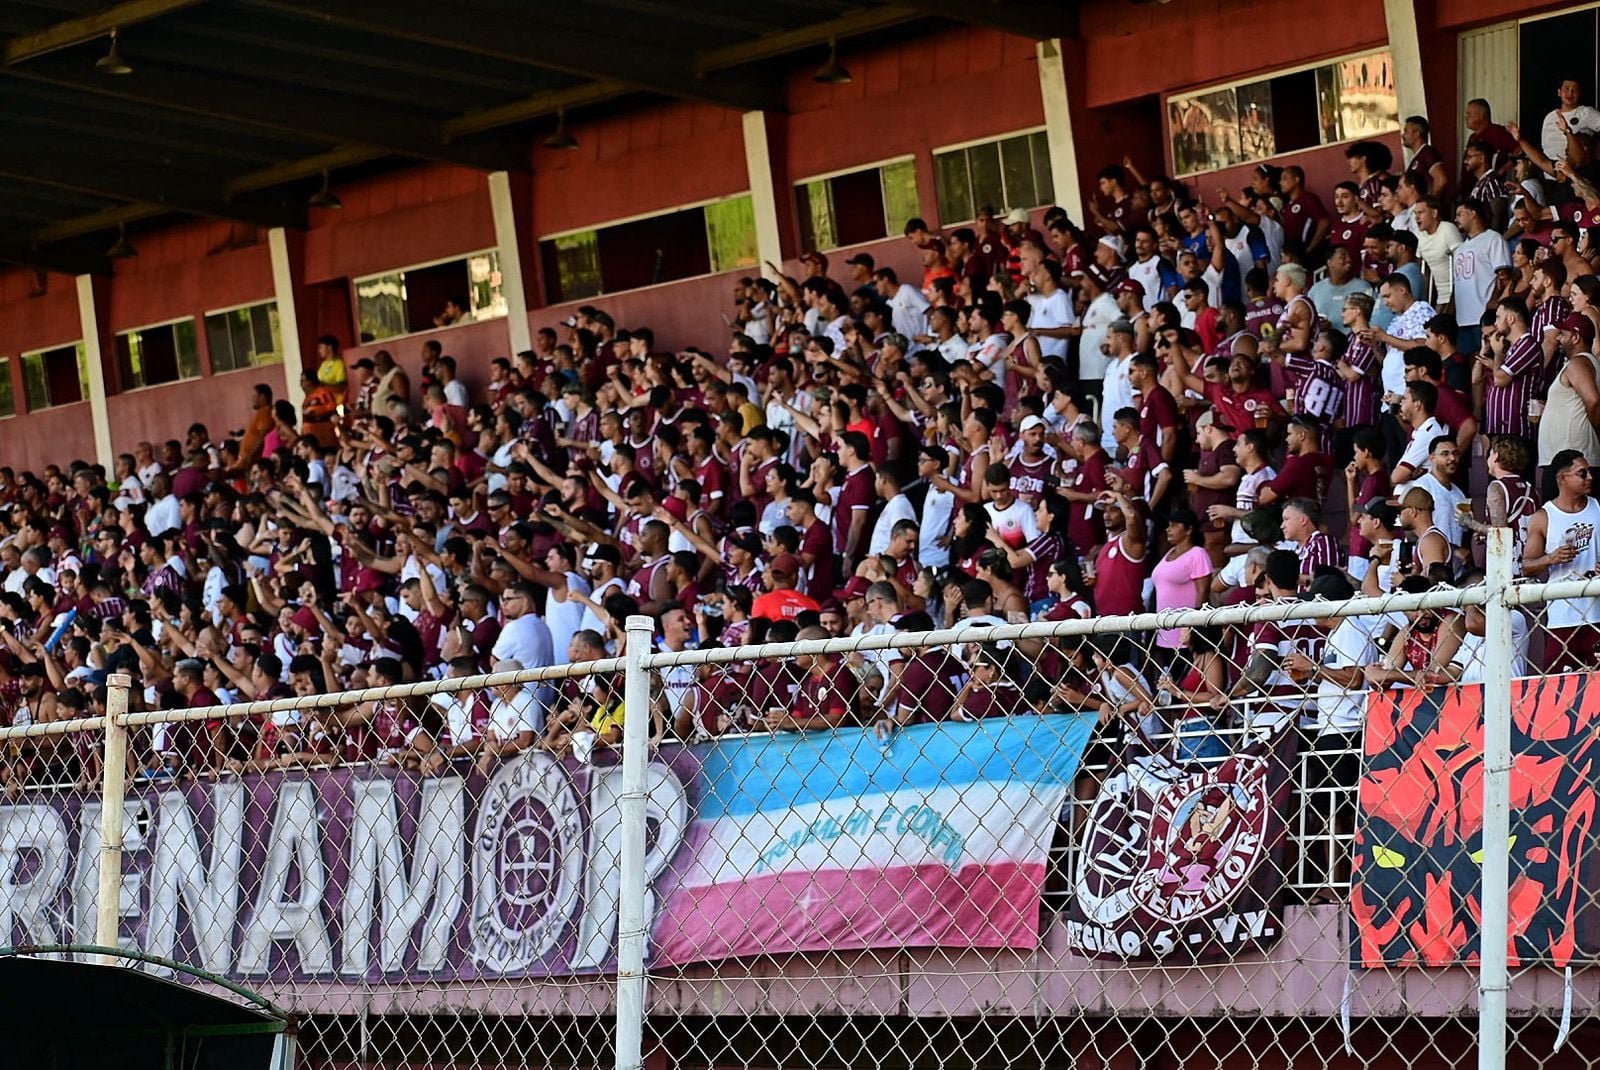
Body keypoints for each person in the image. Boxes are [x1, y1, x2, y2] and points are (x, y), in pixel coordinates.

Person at [1524, 450, 1600, 671]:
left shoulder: (1597, 508)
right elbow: (1526, 566)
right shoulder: (1543, 517)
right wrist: (1550, 558)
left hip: (1596, 613)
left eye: (1589, 472)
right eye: (1582, 473)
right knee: (1556, 687)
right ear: (1562, 478)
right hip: (1562, 616)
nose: (1589, 478)